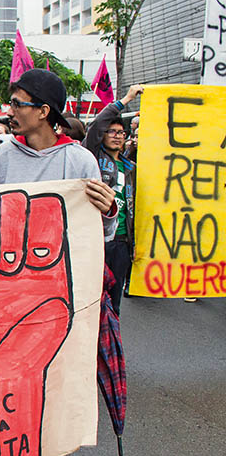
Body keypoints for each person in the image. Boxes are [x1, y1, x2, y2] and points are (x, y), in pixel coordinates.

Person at [0, 68, 116, 456]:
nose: (10, 112)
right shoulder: (2, 156)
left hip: (47, 291)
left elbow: (97, 232)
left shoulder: (79, 161)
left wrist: (108, 212)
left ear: (44, 112)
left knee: (32, 382)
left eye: (19, 104)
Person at [83, 84, 142, 314]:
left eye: (121, 133)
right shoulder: (93, 156)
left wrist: (133, 243)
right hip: (96, 237)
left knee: (114, 302)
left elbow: (133, 208)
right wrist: (126, 99)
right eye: (112, 132)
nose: (117, 137)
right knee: (92, 298)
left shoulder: (130, 168)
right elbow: (97, 124)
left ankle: (110, 344)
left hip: (120, 243)